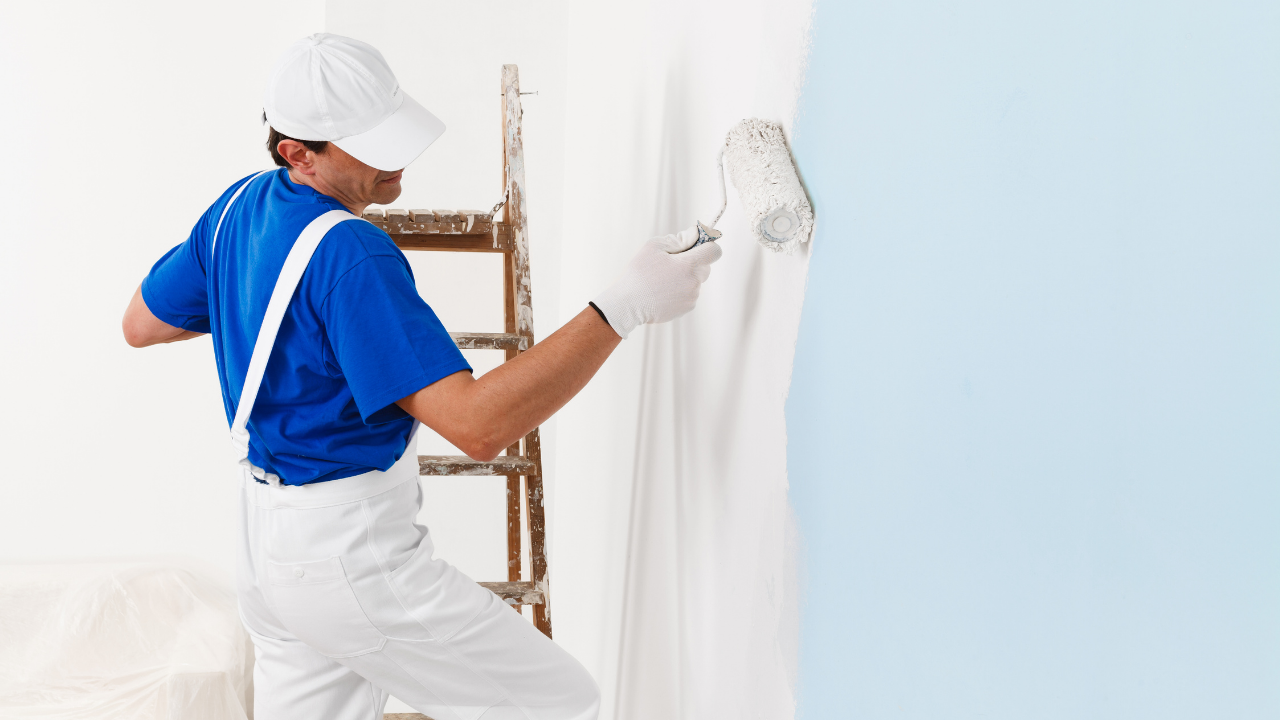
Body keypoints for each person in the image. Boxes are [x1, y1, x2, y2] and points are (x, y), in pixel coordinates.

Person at [120, 34, 721, 720]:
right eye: (370, 145)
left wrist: (266, 312)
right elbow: (478, 425)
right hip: (346, 559)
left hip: (266, 548)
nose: (398, 164)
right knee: (558, 704)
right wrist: (623, 306)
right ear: (298, 153)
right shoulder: (350, 255)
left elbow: (142, 322)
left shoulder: (238, 210)